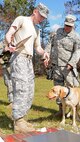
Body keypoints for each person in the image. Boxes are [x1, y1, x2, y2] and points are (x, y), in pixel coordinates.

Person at [5, 3, 49, 133]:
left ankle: (22, 119)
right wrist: (10, 44)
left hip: (29, 61)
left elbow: (38, 48)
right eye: (41, 16)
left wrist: (44, 53)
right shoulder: (21, 19)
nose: (42, 19)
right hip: (19, 57)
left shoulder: (37, 29)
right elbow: (9, 34)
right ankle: (18, 122)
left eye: (44, 18)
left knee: (29, 90)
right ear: (35, 11)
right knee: (21, 88)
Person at [45, 14, 80, 116]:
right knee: (58, 90)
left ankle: (75, 113)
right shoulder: (56, 32)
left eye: (70, 26)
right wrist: (46, 55)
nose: (67, 27)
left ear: (73, 26)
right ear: (64, 23)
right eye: (66, 25)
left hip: (68, 68)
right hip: (56, 67)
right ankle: (60, 111)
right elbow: (49, 44)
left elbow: (78, 51)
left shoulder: (76, 37)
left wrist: (71, 63)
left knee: (72, 89)